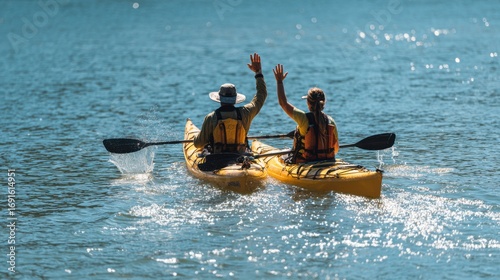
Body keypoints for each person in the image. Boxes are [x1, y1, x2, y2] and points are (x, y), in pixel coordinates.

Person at [193, 53, 267, 155]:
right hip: (239, 156)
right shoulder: (246, 112)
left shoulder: (211, 118)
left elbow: (198, 144)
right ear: (235, 99)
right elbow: (261, 95)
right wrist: (258, 73)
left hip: (217, 160)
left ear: (219, 99)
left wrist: (195, 137)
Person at [272, 64, 339, 163]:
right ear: (324, 102)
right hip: (328, 161)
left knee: (281, 156)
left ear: (308, 103)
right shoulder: (330, 121)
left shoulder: (303, 118)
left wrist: (279, 81)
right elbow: (336, 149)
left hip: (305, 162)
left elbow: (283, 103)